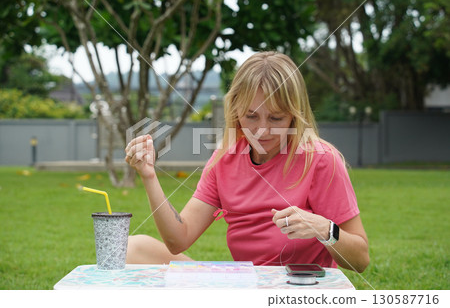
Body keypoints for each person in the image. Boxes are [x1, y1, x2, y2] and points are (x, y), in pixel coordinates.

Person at [125, 51, 369, 272]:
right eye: (251, 116)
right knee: (133, 249)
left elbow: (360, 260)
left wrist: (325, 229)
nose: (261, 130)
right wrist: (149, 175)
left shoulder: (321, 160)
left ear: (295, 116)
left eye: (276, 118)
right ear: (236, 111)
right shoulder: (225, 158)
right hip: (246, 284)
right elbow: (178, 239)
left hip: (298, 288)